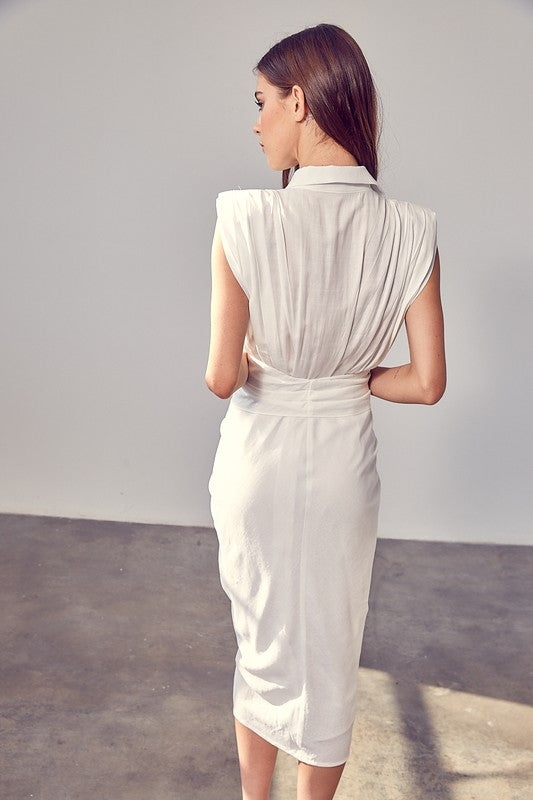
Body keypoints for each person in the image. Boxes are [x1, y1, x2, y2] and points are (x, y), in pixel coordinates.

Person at [205, 22, 446, 800]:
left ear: (299, 102)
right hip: (344, 462)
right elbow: (428, 381)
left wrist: (262, 365)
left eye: (261, 103)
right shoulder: (411, 229)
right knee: (332, 649)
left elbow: (219, 376)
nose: (256, 122)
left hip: (258, 461)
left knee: (260, 641)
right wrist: (358, 376)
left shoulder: (243, 217)